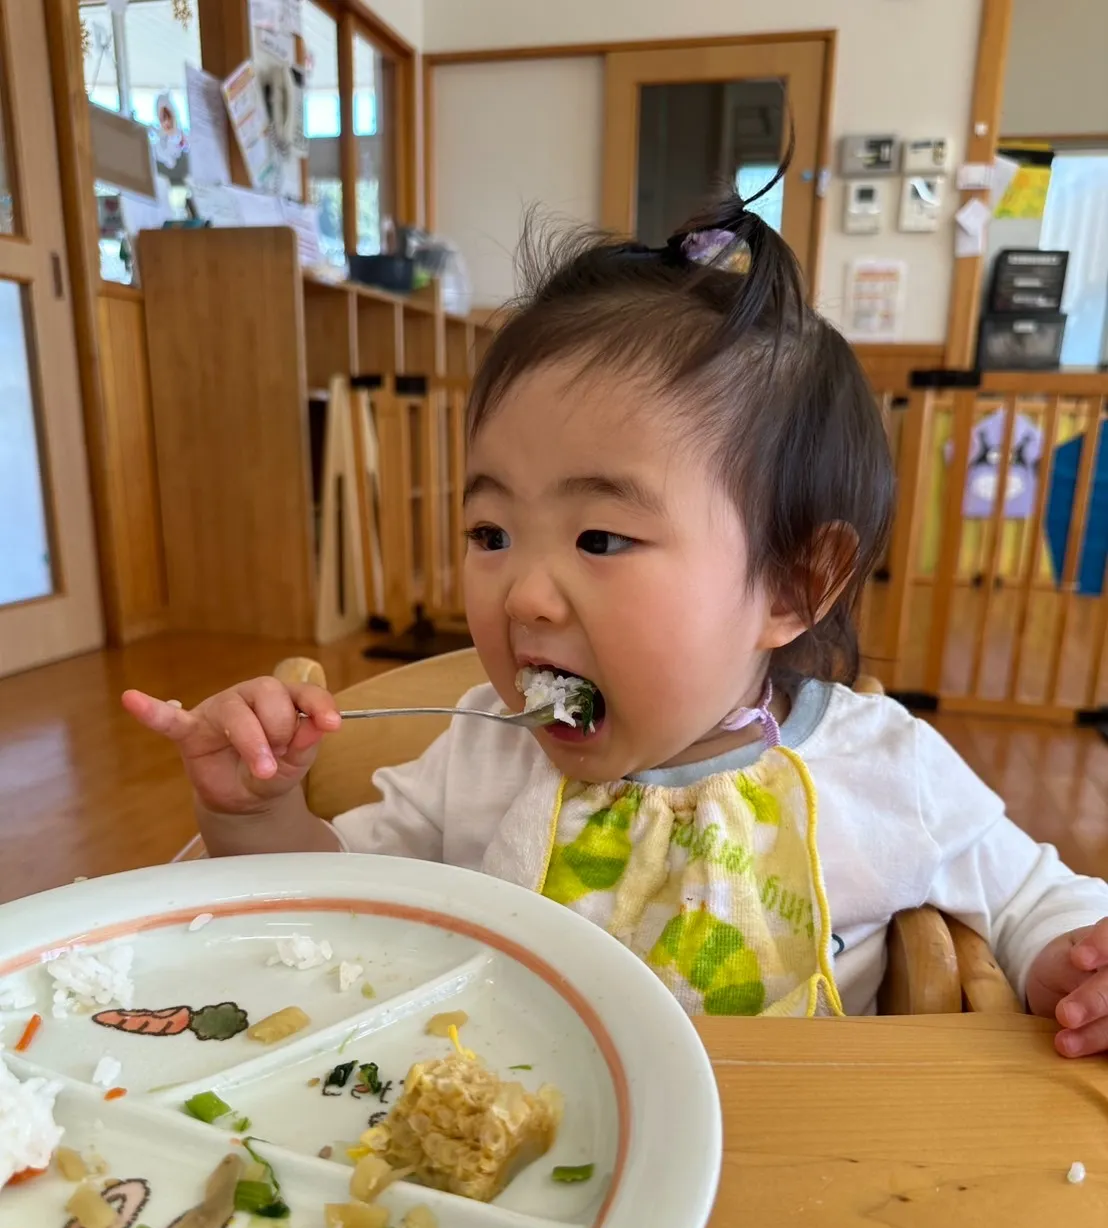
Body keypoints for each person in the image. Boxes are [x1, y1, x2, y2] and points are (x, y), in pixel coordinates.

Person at [123, 179, 1108, 1047]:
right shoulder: (482, 752)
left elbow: (1034, 898)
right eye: (491, 532)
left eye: (599, 538)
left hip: (780, 1161)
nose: (524, 592)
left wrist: (1072, 963)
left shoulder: (883, 770)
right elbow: (337, 898)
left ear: (791, 587)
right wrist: (255, 812)